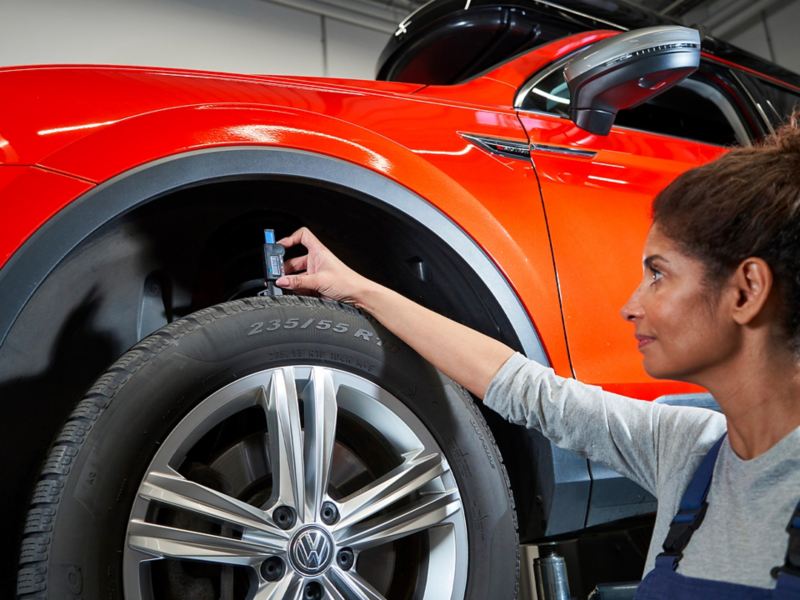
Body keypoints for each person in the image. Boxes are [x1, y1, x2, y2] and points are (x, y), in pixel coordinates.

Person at [274, 118, 800, 598]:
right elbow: (526, 389)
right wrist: (358, 290)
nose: (630, 306)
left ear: (745, 291)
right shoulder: (689, 453)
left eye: (658, 274)